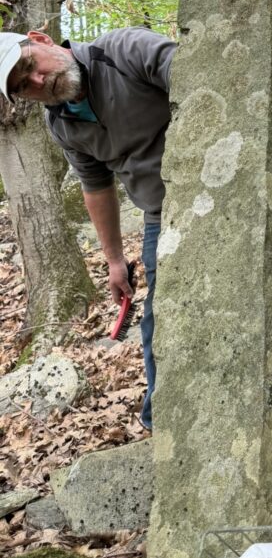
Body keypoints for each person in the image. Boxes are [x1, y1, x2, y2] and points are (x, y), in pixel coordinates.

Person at [0, 26, 176, 431]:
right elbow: (96, 185)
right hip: (159, 213)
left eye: (31, 65)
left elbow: (202, 79)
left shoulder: (124, 50)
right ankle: (161, 425)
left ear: (41, 40)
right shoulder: (62, 124)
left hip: (214, 183)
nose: (39, 80)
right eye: (24, 86)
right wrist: (114, 260)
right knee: (159, 318)